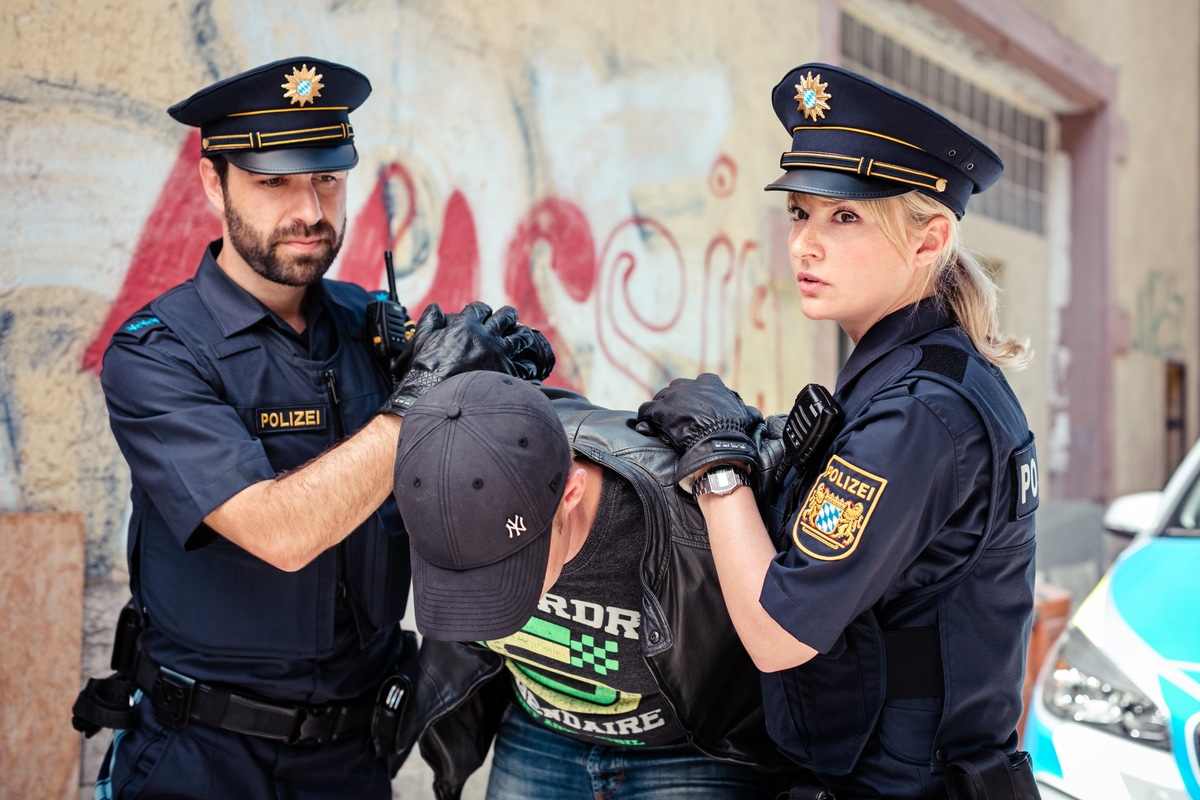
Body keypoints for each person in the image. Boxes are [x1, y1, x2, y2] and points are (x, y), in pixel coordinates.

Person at [74, 56, 553, 799]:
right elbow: (282, 532)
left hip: (354, 759)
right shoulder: (157, 353)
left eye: (327, 179)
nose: (309, 209)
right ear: (214, 183)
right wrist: (424, 399)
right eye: (274, 182)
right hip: (201, 758)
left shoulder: (373, 328)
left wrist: (500, 396)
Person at [637, 63, 1042, 800]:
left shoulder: (920, 411)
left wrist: (718, 464)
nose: (804, 246)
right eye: (800, 212)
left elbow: (776, 633)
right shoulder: (912, 374)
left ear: (929, 240)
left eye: (845, 217)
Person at [388, 370, 802, 800]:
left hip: (690, 752)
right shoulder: (446, 471)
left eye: (507, 570)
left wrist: (723, 468)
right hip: (537, 735)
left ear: (570, 491)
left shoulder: (682, 510)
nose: (483, 592)